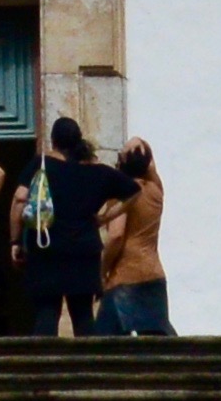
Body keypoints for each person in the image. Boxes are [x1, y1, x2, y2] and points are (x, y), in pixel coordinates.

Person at [23, 116, 120, 339]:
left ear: (53, 140)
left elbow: (20, 199)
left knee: (47, 312)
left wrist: (16, 240)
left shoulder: (41, 165)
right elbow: (133, 190)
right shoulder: (95, 172)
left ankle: (41, 370)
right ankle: (89, 369)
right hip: (84, 251)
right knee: (83, 316)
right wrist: (105, 217)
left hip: (48, 248)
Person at [93, 139, 174, 338]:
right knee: (157, 344)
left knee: (105, 343)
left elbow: (116, 236)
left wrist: (102, 272)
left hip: (125, 276)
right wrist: (139, 148)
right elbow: (150, 163)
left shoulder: (123, 192)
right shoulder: (156, 189)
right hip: (154, 273)